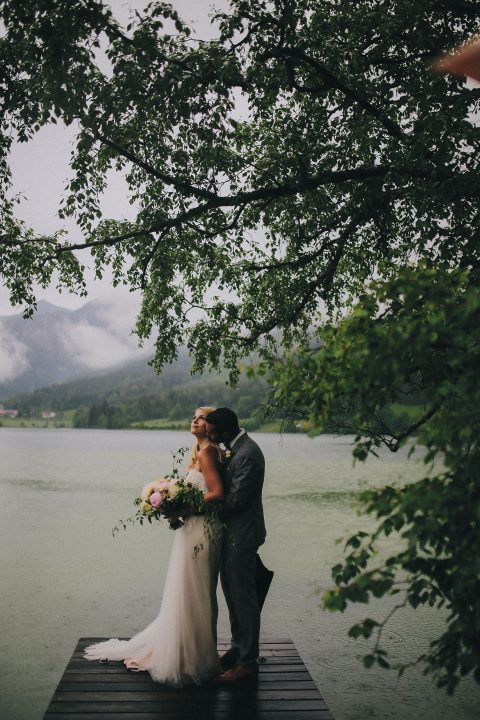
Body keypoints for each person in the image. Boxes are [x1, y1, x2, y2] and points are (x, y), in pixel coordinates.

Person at [83, 406, 224, 686]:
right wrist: (175, 504)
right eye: (193, 416)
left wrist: (185, 505)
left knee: (197, 592)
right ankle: (188, 653)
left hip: (202, 531)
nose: (194, 420)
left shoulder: (209, 453)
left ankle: (195, 657)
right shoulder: (198, 453)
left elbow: (218, 493)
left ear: (210, 426)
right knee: (186, 591)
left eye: (201, 417)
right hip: (191, 529)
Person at [205, 407, 267, 684]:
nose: (209, 437)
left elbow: (237, 500)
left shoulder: (249, 454)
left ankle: (248, 663)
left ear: (225, 432)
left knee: (244, 599)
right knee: (231, 595)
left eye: (212, 433)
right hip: (230, 534)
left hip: (243, 535)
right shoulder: (233, 448)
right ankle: (236, 649)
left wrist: (196, 510)